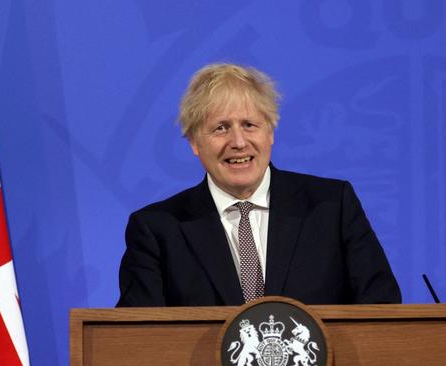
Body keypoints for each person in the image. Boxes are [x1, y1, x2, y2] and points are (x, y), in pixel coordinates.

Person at [117, 63, 401, 307]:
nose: (238, 142)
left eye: (250, 125)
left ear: (270, 132)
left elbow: (382, 307)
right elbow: (137, 335)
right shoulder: (157, 229)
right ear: (194, 142)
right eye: (220, 128)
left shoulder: (332, 207)